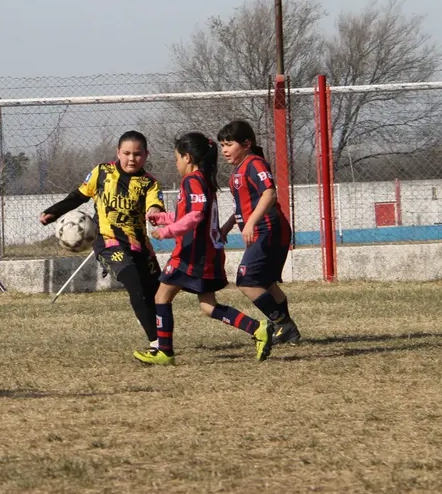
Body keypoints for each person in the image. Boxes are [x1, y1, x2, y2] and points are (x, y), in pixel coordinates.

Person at [135, 133, 274, 366]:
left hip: (192, 254)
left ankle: (165, 352)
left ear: (187, 157)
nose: (176, 163)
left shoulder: (192, 180)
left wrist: (167, 232)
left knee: (161, 296)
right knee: (208, 307)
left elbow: (196, 215)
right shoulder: (202, 180)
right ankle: (258, 328)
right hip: (207, 253)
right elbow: (187, 215)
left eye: (177, 158)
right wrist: (162, 218)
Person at [40, 131, 165, 353]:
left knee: (157, 295)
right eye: (126, 153)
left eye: (137, 154)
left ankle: (150, 321)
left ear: (146, 155)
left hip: (140, 246)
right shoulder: (102, 172)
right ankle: (158, 345)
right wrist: (54, 212)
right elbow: (79, 195)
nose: (131, 159)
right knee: (135, 285)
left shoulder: (149, 183)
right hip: (108, 244)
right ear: (118, 152)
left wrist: (154, 210)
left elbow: (155, 204)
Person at [216, 120, 300, 344]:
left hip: (270, 229)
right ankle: (286, 330)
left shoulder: (255, 163)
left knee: (247, 280)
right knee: (266, 283)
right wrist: (227, 225)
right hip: (261, 230)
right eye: (222, 145)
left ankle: (282, 324)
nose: (224, 150)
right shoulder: (239, 169)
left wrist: (252, 222)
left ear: (246, 144)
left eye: (228, 144)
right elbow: (245, 205)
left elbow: (269, 194)